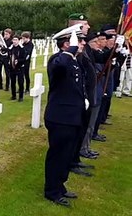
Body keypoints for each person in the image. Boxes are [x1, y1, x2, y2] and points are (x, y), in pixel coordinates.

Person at [44, 27, 87, 207]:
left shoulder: (75, 61)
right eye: (80, 41)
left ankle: (60, 185)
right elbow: (61, 66)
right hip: (60, 117)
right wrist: (70, 51)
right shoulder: (58, 59)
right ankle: (52, 191)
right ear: (67, 44)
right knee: (57, 154)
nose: (83, 43)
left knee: (67, 154)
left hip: (73, 116)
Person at [8, 35, 26, 102]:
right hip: (12, 68)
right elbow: (8, 55)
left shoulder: (22, 49)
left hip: (20, 68)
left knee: (20, 82)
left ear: (19, 40)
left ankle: (21, 97)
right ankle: (13, 95)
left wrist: (18, 61)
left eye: (16, 40)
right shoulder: (11, 48)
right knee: (12, 82)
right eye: (13, 40)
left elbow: (24, 58)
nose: (14, 41)